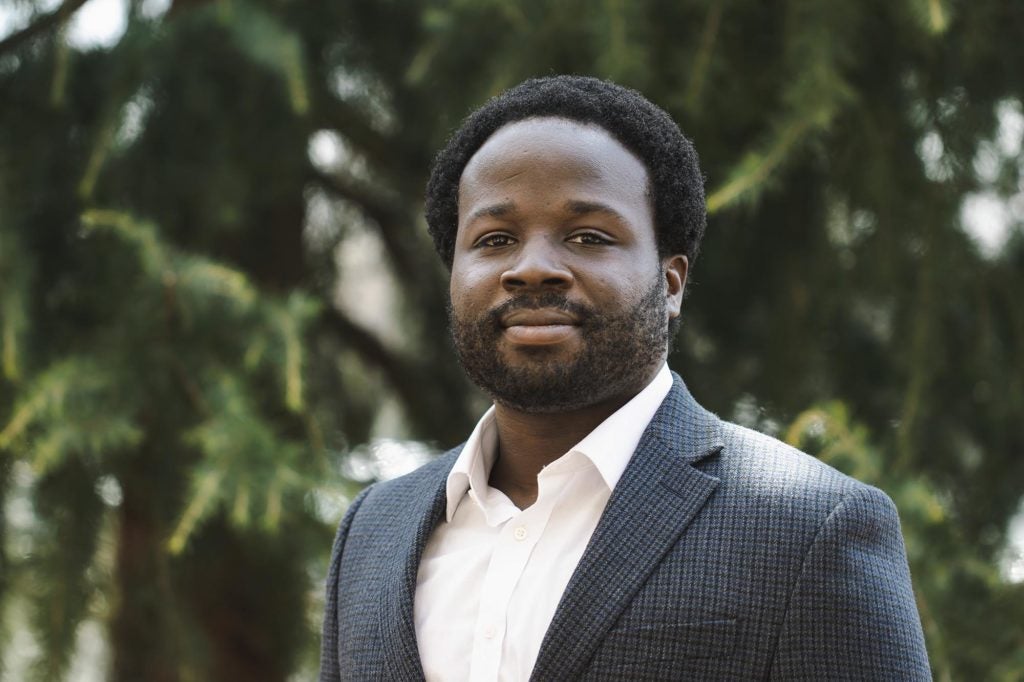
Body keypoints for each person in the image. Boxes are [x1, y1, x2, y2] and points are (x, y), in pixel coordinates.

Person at [319, 75, 931, 681]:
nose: (531, 268)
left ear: (671, 283)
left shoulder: (809, 529)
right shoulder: (375, 528)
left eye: (588, 236)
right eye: (495, 239)